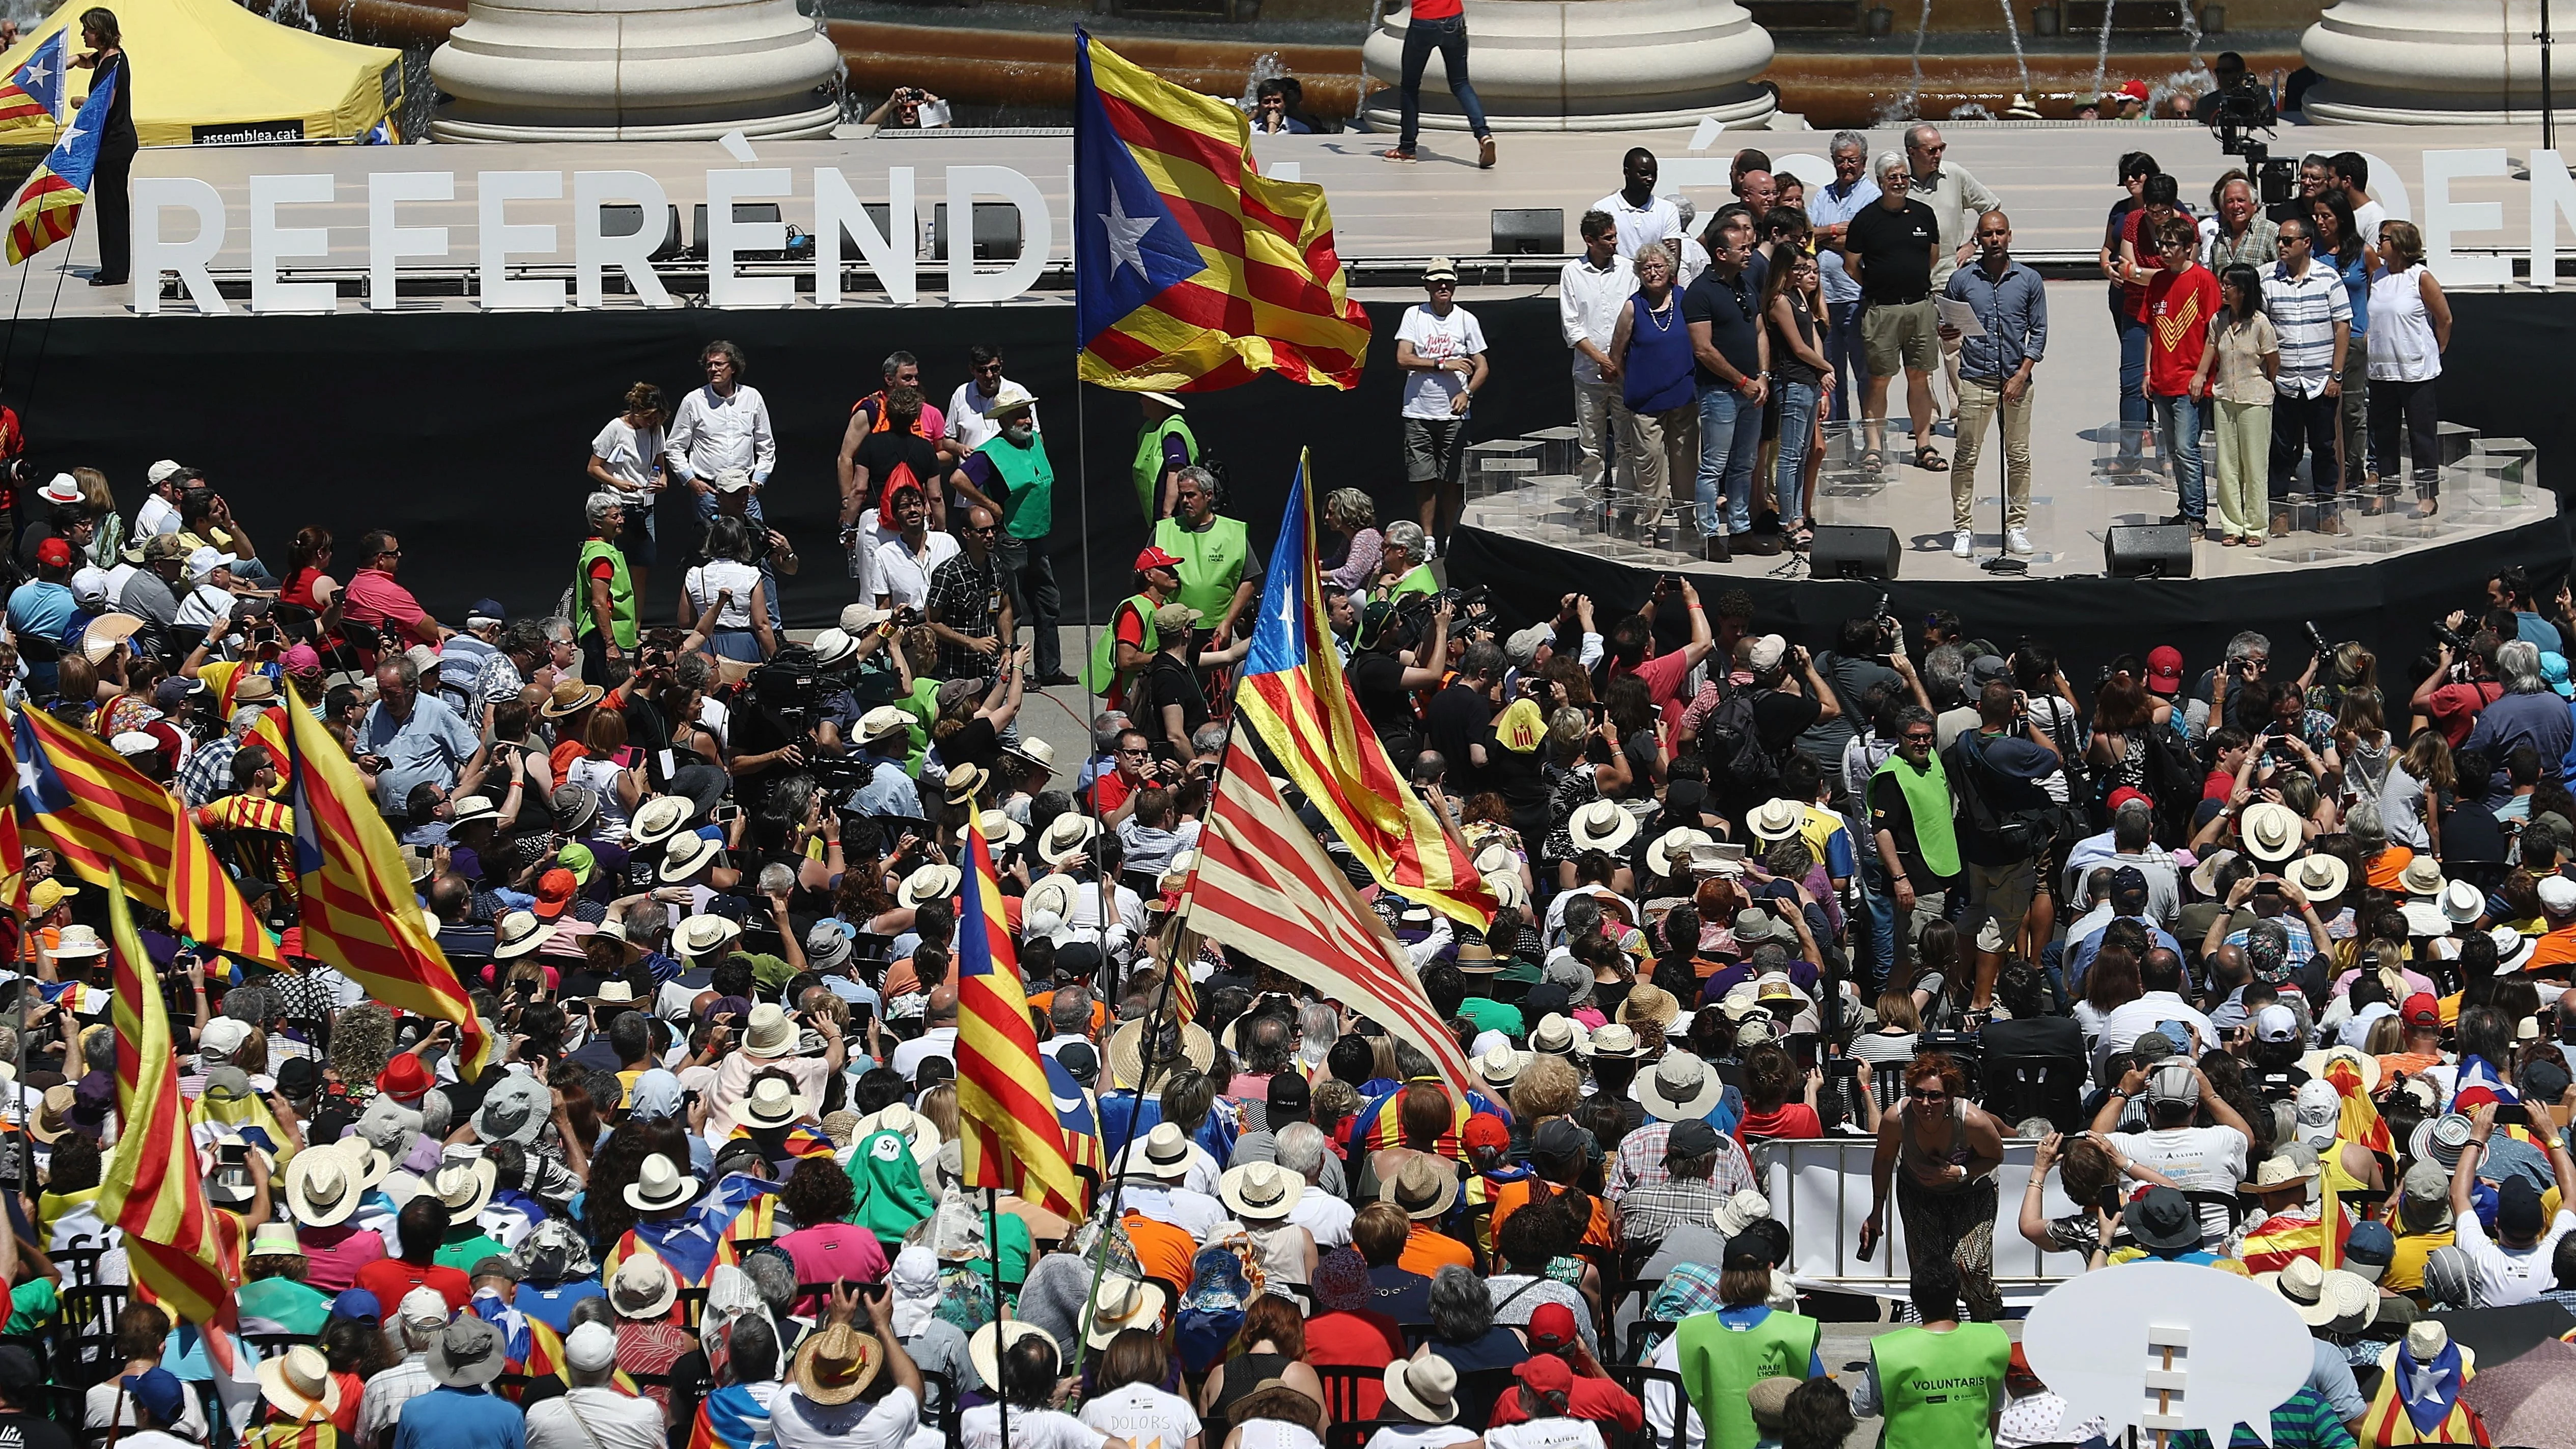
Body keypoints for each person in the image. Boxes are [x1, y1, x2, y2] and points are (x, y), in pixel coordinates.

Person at [1861, 1053, 2007, 1321]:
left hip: (1971, 1192)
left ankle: (1986, 1315)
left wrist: (1960, 1172)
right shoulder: (1897, 1118)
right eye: (1918, 1094)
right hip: (1920, 1194)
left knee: (1969, 1268)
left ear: (1949, 1097)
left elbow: (1996, 1156)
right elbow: (1883, 1159)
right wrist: (1876, 1211)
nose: (1926, 1103)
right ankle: (1943, 1330)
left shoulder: (1971, 1119)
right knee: (1930, 1275)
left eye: (1935, 1096)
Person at [1940, 209, 2046, 558]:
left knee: (2018, 456)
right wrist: (1946, 330)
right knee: (1966, 455)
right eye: (1988, 234)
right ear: (1979, 239)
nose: (1995, 240)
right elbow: (1949, 324)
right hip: (1975, 379)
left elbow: (2039, 331)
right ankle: (1963, 528)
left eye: (2000, 233)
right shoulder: (1963, 279)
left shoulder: (2029, 280)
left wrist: (2022, 374)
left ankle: (2016, 525)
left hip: (2016, 381)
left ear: (2010, 236)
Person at [953, 384, 1071, 686]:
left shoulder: (1034, 443)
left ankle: (1049, 669)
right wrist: (991, 506)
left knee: (1047, 603)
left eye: (1028, 413)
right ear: (1004, 420)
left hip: (1037, 537)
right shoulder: (991, 453)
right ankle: (1012, 671)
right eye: (1020, 416)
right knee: (1011, 608)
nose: (1027, 420)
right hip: (1011, 538)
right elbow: (958, 479)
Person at [1842, 152, 1942, 479]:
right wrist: (1879, 285)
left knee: (1920, 376)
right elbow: (1852, 265)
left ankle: (1924, 445)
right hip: (1881, 311)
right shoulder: (1866, 219)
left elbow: (1932, 256)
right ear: (1881, 181)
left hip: (1920, 308)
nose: (1898, 182)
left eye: (1902, 176)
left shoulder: (1924, 215)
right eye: (1892, 177)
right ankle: (1874, 447)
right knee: (1879, 380)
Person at [2261, 216, 2354, 538]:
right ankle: (2278, 513)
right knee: (2282, 451)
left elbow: (2343, 326)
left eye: (2288, 241)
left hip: (2320, 384)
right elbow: (2260, 328)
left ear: (2307, 244)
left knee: (2324, 448)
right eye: (2280, 241)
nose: (2282, 246)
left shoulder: (2329, 279)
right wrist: (2269, 377)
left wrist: (2336, 375)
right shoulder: (2267, 280)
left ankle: (2328, 512)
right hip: (2284, 383)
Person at [1852, 1261, 2010, 1444]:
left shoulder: (1890, 1351)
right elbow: (1996, 1408)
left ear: (1913, 1299)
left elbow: (1861, 1407)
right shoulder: (1990, 1343)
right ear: (1957, 1295)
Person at [1686, 205, 1767, 562]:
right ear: (1721, 253)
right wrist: (1741, 381)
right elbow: (1703, 349)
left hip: (1753, 390)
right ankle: (1708, 535)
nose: (1749, 251)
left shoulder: (1746, 285)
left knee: (1744, 464)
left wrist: (1762, 376)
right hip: (1720, 393)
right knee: (1713, 467)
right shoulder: (1700, 292)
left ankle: (1740, 530)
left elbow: (1760, 330)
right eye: (1742, 249)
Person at [1395, 258, 1489, 555]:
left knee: (1452, 480)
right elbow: (1403, 358)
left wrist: (1468, 393)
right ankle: (1428, 540)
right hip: (1418, 411)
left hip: (1454, 415)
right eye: (1437, 282)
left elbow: (1483, 365)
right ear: (1427, 286)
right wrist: (1441, 363)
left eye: (1448, 281)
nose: (1443, 286)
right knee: (1423, 479)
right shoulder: (1414, 315)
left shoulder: (1466, 319)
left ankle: (1451, 537)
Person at [1608, 243, 1696, 537]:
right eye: (1646, 268)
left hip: (1684, 398)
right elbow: (1616, 355)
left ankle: (1687, 521)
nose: (1653, 272)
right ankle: (1651, 524)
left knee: (1685, 463)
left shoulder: (1686, 300)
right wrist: (1633, 381)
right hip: (1645, 402)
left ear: (1670, 269)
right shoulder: (1633, 306)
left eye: (1659, 266)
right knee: (1650, 466)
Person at [2367, 220, 2452, 520]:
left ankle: (2428, 495)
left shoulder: (2421, 277)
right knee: (2385, 433)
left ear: (2401, 244)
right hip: (2382, 370)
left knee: (2421, 435)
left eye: (2384, 239)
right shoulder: (2377, 276)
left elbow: (2445, 319)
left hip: (2416, 370)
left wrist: (2435, 351)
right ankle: (2387, 491)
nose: (2379, 243)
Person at [2193, 262, 2281, 548]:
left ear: (2243, 290)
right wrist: (2200, 376)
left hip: (2255, 399)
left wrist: (2265, 385)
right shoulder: (2218, 321)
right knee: (2227, 465)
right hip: (2224, 397)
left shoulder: (2260, 324)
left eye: (2228, 285)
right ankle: (2231, 525)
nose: (2223, 289)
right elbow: (2210, 348)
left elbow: (2273, 362)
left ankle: (2256, 526)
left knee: (2255, 465)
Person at [2144, 214, 2219, 539]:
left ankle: (2196, 516)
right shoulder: (2158, 281)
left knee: (2188, 449)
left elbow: (2215, 333)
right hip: (2162, 379)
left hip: (2190, 380)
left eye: (2172, 244)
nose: (2164, 250)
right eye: (2162, 244)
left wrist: (2202, 375)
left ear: (2189, 248)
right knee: (2174, 450)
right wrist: (2147, 371)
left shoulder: (2204, 281)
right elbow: (2151, 328)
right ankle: (2184, 506)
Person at [1560, 211, 1637, 519]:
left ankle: (1629, 503)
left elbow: (1635, 318)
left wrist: (1616, 362)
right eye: (1608, 238)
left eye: (1615, 236)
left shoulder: (1629, 269)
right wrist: (1602, 360)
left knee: (1627, 442)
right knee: (1591, 445)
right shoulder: (1572, 273)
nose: (1614, 243)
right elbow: (1572, 327)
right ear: (1589, 241)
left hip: (1625, 371)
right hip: (1589, 373)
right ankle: (1592, 504)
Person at [1809, 130, 1880, 423]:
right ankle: (1840, 442)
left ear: (1864, 161)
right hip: (1824, 298)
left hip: (1857, 297)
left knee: (1865, 373)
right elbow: (1806, 237)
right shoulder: (1822, 195)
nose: (1846, 167)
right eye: (1840, 161)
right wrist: (1838, 230)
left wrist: (1825, 235)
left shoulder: (1873, 196)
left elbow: (1864, 244)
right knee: (1830, 373)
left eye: (1852, 161)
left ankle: (1871, 440)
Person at [1762, 247, 1830, 551]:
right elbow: (1799, 347)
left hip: (1809, 383)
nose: (1803, 274)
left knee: (1802, 455)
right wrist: (1827, 367)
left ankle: (1799, 516)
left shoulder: (1799, 296)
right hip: (1791, 383)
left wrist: (1821, 375)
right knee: (1789, 456)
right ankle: (1787, 521)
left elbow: (1813, 334)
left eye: (1806, 268)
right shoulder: (1779, 300)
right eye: (1798, 268)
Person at [1378, 0, 1493, 171]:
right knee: (1461, 83)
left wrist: (1337, 149)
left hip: (1424, 22)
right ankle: (1483, 135)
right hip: (1454, 20)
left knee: (1410, 87)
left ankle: (1407, 149)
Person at [667, 341, 774, 524]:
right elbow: (675, 446)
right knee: (713, 548)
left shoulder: (752, 397)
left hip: (744, 491)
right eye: (709, 365)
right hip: (710, 492)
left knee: (755, 544)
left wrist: (756, 482)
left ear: (733, 367)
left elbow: (766, 445)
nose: (713, 369)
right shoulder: (694, 401)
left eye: (719, 364)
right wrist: (691, 481)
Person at [587, 382, 667, 601]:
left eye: (656, 418)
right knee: (615, 568)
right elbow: (593, 467)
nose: (651, 423)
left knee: (641, 570)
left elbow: (661, 466)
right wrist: (618, 483)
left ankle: (636, 628)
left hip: (645, 506)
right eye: (648, 417)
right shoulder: (616, 428)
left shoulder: (656, 430)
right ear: (636, 410)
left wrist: (662, 482)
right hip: (619, 506)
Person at [72, 8, 133, 289]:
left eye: (88, 29)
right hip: (108, 145)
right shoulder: (107, 58)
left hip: (115, 144)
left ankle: (116, 271)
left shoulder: (114, 65)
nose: (84, 34)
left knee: (113, 208)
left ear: (101, 31)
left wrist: (80, 102)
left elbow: (105, 104)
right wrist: (72, 60)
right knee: (107, 207)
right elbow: (87, 60)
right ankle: (111, 265)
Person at [573, 493, 637, 681]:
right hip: (602, 636)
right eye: (615, 517)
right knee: (614, 693)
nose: (622, 520)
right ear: (598, 523)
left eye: (621, 515)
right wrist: (610, 645)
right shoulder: (601, 556)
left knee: (594, 689)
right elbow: (600, 602)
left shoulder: (599, 547)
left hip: (597, 636)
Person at [1593, 148, 1684, 261]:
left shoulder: (1667, 209)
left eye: (1654, 174)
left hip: (1655, 277)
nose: (1650, 179)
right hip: (1618, 277)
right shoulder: (1603, 208)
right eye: (1644, 174)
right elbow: (1601, 253)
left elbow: (1672, 257)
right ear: (1627, 173)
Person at [1132, 393, 1195, 521]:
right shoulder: (1150, 428)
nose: (1140, 401)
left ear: (1154, 401)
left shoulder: (1172, 430)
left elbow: (1176, 472)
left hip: (1175, 519)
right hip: (1157, 517)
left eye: (1141, 397)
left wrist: (1167, 515)